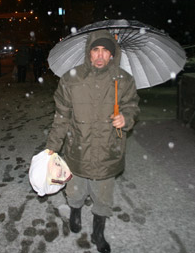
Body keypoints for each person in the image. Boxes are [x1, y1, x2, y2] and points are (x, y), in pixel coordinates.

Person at [45, 30, 140, 253]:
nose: (100, 55)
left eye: (106, 50)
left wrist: (126, 117)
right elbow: (61, 118)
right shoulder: (71, 79)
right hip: (78, 149)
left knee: (103, 196)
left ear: (112, 54)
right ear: (89, 53)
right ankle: (75, 213)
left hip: (109, 150)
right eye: (95, 50)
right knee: (75, 191)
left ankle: (98, 233)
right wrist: (51, 149)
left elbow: (132, 105)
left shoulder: (123, 80)